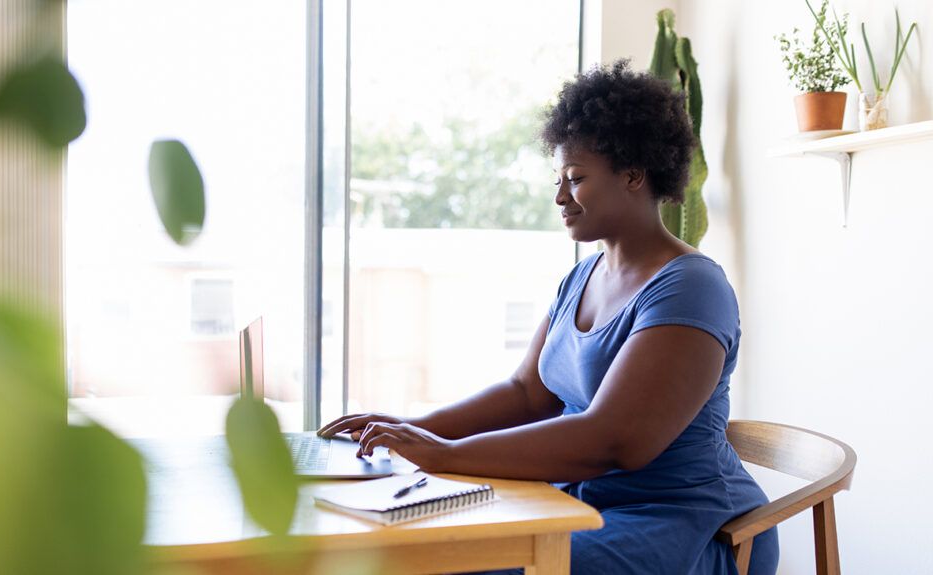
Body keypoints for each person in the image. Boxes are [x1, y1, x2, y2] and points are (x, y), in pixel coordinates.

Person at [317, 60, 778, 575]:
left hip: (680, 528)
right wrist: (408, 430)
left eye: (576, 178)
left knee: (463, 565)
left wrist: (444, 454)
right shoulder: (582, 277)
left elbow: (615, 439)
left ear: (633, 174)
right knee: (417, 549)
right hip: (578, 505)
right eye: (558, 177)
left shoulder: (692, 287)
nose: (560, 196)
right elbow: (525, 393)